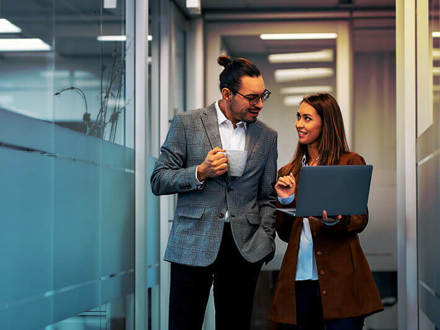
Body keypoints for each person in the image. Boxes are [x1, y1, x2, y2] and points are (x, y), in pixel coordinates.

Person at [151, 55, 278, 330]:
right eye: (252, 97)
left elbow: (267, 197)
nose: (260, 104)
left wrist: (265, 239)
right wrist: (200, 172)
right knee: (184, 324)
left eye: (263, 95)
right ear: (227, 94)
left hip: (244, 247)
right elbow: (159, 180)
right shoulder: (187, 123)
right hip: (193, 243)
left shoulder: (267, 136)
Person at [269, 93, 383, 330]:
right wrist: (286, 200)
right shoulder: (288, 171)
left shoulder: (350, 162)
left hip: (341, 283)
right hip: (298, 281)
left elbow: (359, 220)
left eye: (307, 118)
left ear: (326, 123)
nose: (299, 124)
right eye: (298, 117)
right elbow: (284, 234)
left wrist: (335, 220)